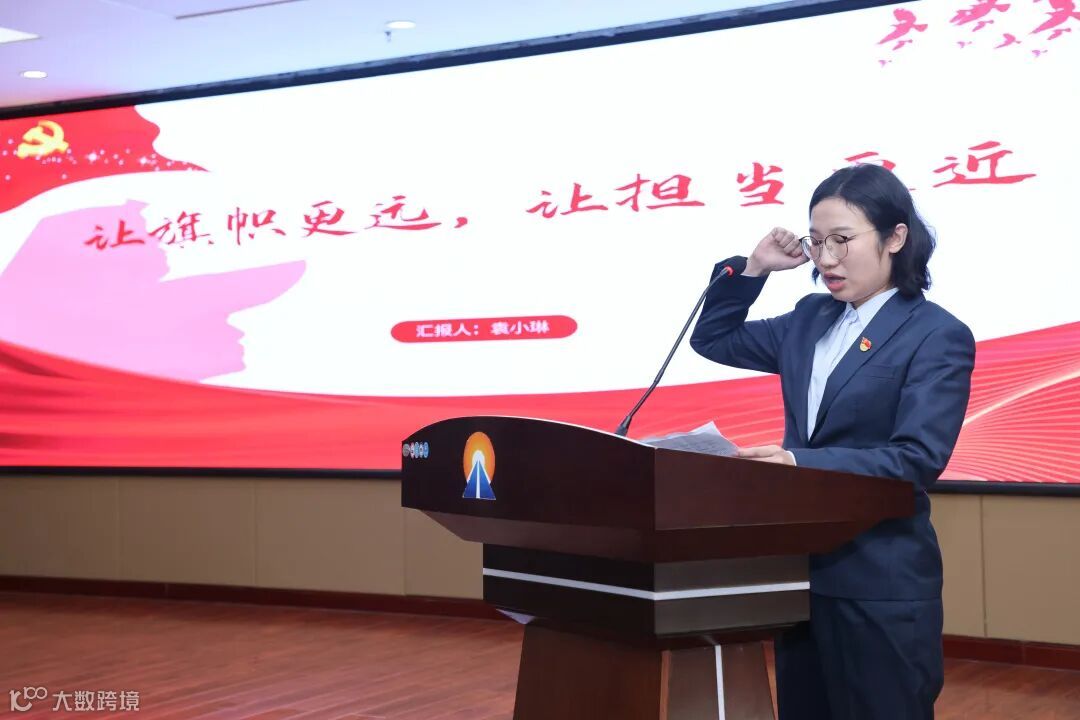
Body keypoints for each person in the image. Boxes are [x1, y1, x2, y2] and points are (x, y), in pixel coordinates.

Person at [690, 164, 975, 720]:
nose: (825, 258)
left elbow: (917, 458)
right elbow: (713, 338)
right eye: (816, 241)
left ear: (895, 237)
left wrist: (797, 463)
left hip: (879, 580)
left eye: (842, 240)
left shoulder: (936, 334)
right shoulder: (809, 317)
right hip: (801, 576)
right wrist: (754, 268)